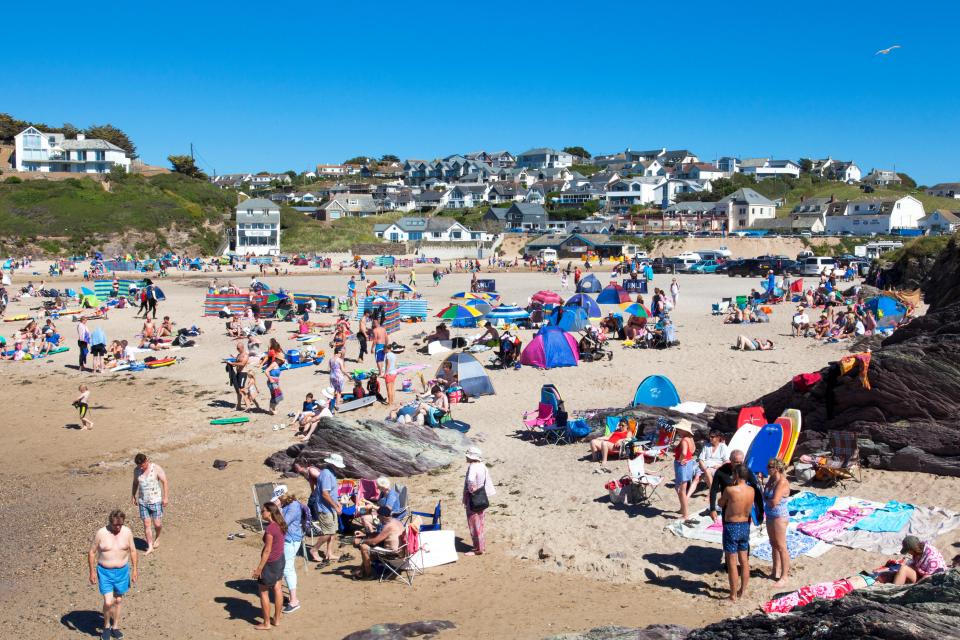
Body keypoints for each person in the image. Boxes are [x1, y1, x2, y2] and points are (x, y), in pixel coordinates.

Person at [89, 510, 138, 640]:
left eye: (120, 525)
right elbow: (92, 552)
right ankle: (106, 626)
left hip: (122, 572)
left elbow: (133, 551)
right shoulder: (101, 533)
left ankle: (115, 626)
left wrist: (135, 570)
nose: (118, 528)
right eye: (115, 525)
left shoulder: (127, 532)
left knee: (118, 600)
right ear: (110, 522)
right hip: (105, 572)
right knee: (108, 601)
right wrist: (92, 571)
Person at [297, 454, 344, 565]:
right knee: (328, 532)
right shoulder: (327, 474)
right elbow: (325, 493)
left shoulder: (330, 472)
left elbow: (331, 492)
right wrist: (335, 506)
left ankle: (329, 553)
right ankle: (314, 549)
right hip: (325, 508)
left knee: (333, 531)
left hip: (330, 507)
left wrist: (338, 504)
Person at [718, 464, 753, 602]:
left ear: (737, 475)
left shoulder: (730, 490)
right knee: (744, 560)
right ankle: (742, 591)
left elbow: (721, 503)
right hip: (745, 525)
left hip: (732, 525)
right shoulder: (751, 490)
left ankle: (733, 595)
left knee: (732, 561)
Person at [252, 501, 286, 630]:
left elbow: (267, 550)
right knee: (278, 589)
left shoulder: (271, 528)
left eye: (263, 511)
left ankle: (266, 623)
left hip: (271, 563)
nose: (261, 513)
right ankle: (277, 619)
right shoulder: (281, 524)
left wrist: (259, 569)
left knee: (263, 592)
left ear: (270, 512)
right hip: (280, 559)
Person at [131, 453, 169, 555]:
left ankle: (158, 536)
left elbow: (164, 481)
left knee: (157, 524)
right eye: (139, 466)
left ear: (146, 461)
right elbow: (135, 483)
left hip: (156, 500)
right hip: (143, 501)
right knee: (147, 524)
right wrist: (133, 495)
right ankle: (150, 546)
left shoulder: (156, 468)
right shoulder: (137, 471)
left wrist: (165, 497)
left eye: (143, 465)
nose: (141, 468)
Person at [277, 490, 308, 614]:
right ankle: (290, 597)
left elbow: (282, 523)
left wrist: (277, 509)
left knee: (288, 569)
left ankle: (294, 601)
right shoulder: (289, 505)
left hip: (291, 540)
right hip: (289, 539)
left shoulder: (293, 506)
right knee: (286, 567)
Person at [352, 505, 403, 579]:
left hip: (393, 554)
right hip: (403, 551)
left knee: (364, 547)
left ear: (383, 517)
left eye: (378, 516)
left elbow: (374, 542)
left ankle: (369, 575)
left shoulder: (389, 526)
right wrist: (364, 534)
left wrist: (361, 541)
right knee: (371, 547)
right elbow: (382, 535)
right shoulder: (397, 521)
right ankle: (361, 570)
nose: (377, 518)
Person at [763, 458, 790, 585]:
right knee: (773, 544)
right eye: (768, 466)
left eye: (770, 466)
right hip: (770, 515)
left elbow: (774, 502)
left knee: (781, 546)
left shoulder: (782, 482)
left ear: (777, 468)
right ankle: (775, 571)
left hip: (779, 516)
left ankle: (784, 576)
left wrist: (765, 501)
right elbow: (766, 496)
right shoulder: (771, 480)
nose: (768, 468)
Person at [463, 447, 494, 556]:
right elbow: (487, 482)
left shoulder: (472, 466)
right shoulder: (483, 466)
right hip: (483, 497)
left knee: (473, 524)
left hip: (474, 499)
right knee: (480, 523)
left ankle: (478, 549)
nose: (466, 456)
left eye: (467, 455)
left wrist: (471, 492)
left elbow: (471, 480)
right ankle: (482, 547)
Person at [689, 430, 729, 498]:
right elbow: (701, 459)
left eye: (712, 437)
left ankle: (711, 493)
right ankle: (687, 495)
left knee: (707, 472)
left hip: (715, 466)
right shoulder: (706, 446)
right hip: (705, 466)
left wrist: (720, 466)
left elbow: (727, 461)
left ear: (718, 437)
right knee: (696, 478)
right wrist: (703, 466)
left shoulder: (723, 447)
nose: (710, 438)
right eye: (709, 436)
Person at [673, 420, 697, 521]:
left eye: (679, 429)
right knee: (680, 487)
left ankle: (685, 514)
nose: (678, 430)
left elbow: (683, 451)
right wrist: (686, 458)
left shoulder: (684, 440)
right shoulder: (690, 439)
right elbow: (693, 450)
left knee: (681, 489)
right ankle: (683, 508)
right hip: (689, 464)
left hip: (683, 465)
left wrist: (681, 459)